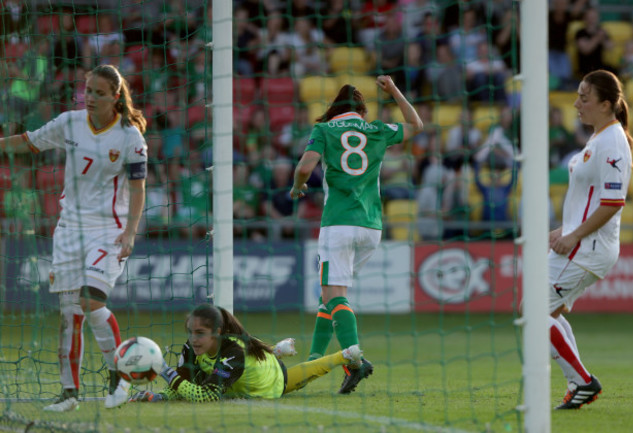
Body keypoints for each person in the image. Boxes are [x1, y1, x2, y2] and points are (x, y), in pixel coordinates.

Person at [0, 64, 148, 411]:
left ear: (115, 96)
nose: (90, 98)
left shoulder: (130, 137)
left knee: (91, 302)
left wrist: (129, 232)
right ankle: (70, 394)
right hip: (69, 228)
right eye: (87, 91)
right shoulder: (70, 122)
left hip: (107, 230)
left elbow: (138, 189)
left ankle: (120, 375)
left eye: (99, 93)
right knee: (69, 313)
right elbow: (28, 142)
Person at [289, 76, 423, 393]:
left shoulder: (323, 130)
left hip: (338, 222)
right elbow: (416, 125)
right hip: (372, 227)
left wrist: (297, 186)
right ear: (361, 111)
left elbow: (305, 167)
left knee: (333, 295)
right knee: (333, 297)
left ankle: (355, 360)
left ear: (333, 110)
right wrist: (394, 91)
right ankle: (314, 359)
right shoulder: (376, 129)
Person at [548, 70, 632, 409]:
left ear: (606, 104)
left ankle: (583, 381)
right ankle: (578, 382)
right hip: (579, 241)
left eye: (584, 97)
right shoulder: (599, 138)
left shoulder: (613, 143)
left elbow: (613, 202)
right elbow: (591, 197)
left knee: (535, 313)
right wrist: (564, 228)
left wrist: (574, 235)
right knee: (544, 313)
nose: (576, 103)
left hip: (589, 247)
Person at [129, 304, 364, 402]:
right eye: (190, 332)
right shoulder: (193, 346)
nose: (193, 339)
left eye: (200, 333)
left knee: (291, 382)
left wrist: (163, 369)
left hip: (269, 380)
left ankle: (344, 355)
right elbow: (184, 379)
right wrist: (161, 397)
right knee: (198, 373)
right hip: (242, 369)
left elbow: (206, 397)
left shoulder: (232, 351)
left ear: (217, 332)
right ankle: (273, 349)